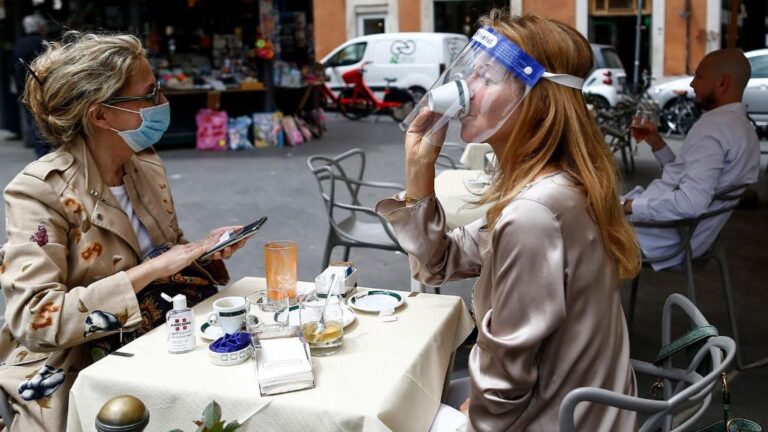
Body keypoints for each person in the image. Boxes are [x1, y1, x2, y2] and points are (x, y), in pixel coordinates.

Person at [377, 11, 640, 431]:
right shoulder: (559, 185)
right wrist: (419, 167)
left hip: (557, 419)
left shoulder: (535, 212)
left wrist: (477, 417)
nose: (463, 89)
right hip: (590, 408)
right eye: (470, 72)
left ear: (537, 98)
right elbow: (439, 263)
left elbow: (503, 383)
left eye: (486, 76)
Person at [0, 32, 248, 431]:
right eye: (149, 95)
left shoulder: (144, 164)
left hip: (165, 340)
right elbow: (35, 320)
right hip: (82, 373)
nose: (163, 104)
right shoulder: (39, 190)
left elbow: (166, 255)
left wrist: (203, 252)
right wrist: (154, 270)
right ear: (100, 115)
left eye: (160, 90)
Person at [623, 49, 760, 270]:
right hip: (682, 238)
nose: (693, 84)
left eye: (699, 76)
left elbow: (691, 202)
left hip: (659, 242)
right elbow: (689, 180)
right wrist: (657, 144)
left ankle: (581, 302)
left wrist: (629, 207)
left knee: (572, 226)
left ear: (722, 83)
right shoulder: (743, 128)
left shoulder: (714, 129)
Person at [12, 13, 49, 158]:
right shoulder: (41, 43)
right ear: (39, 27)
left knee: (32, 119)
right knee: (41, 119)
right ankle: (42, 150)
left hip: (23, 86)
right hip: (39, 87)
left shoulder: (19, 43)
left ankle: (40, 149)